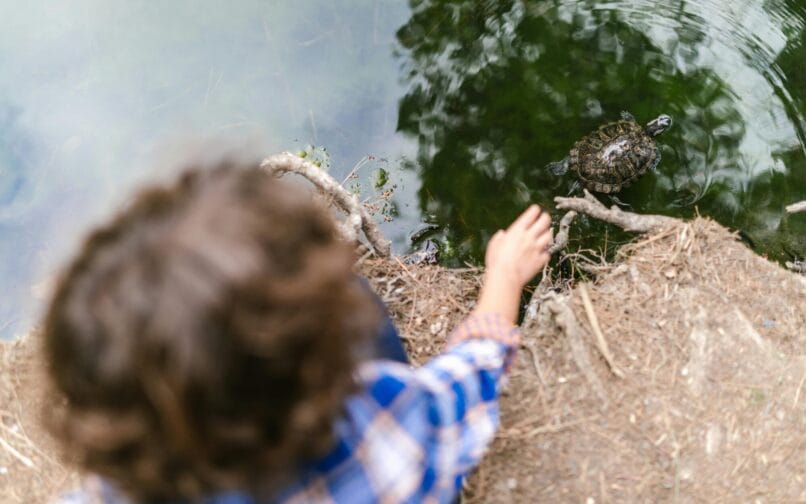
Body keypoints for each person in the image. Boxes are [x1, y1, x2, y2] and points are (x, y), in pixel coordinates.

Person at [44, 159, 552, 503]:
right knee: (360, 300)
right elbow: (467, 382)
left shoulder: (119, 485)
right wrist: (503, 278)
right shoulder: (376, 448)